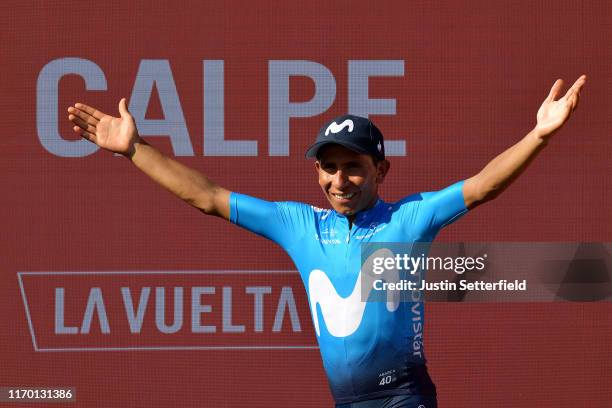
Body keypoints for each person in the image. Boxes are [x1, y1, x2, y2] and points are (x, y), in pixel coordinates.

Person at [67, 75, 586, 408]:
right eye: (330, 167)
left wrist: (537, 136)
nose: (340, 180)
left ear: (380, 169)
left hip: (404, 400)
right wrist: (135, 151)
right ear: (318, 172)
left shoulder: (409, 219)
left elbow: (482, 185)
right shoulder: (299, 225)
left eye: (354, 167)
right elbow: (207, 196)